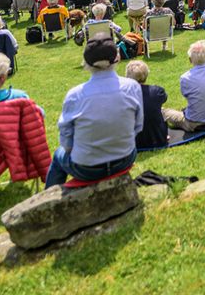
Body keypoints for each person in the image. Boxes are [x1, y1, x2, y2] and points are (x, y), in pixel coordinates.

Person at [45, 30, 143, 187]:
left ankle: (49, 201)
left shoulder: (75, 95)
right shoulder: (132, 87)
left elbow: (66, 140)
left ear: (86, 62)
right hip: (124, 157)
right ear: (117, 58)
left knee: (58, 155)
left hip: (87, 167)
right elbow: (137, 126)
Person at [163, 41, 205, 132]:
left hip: (196, 123)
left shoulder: (186, 78)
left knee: (165, 112)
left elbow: (186, 95)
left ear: (190, 60)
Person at [124, 61, 168, 150]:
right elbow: (164, 98)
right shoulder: (157, 92)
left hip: (134, 141)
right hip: (158, 138)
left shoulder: (123, 96)